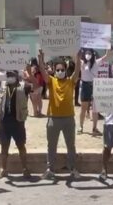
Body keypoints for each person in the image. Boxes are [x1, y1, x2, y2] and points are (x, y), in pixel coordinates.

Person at [0, 68, 35, 179]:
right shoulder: (0, 85)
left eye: (12, 74)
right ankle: (3, 169)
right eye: (8, 74)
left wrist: (29, 72)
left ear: (17, 76)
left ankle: (25, 168)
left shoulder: (24, 86)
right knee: (4, 146)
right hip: (4, 121)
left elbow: (37, 86)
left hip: (18, 122)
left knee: (21, 146)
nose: (10, 76)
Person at [38, 49, 81, 180]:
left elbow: (77, 71)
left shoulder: (70, 81)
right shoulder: (51, 81)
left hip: (69, 118)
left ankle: (73, 168)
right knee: (51, 145)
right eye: (58, 70)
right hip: (53, 119)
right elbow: (43, 73)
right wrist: (41, 59)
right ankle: (50, 169)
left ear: (65, 70)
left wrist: (77, 58)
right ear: (54, 70)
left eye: (62, 69)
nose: (60, 72)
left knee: (71, 145)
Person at [78, 48, 111, 135]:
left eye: (89, 53)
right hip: (85, 85)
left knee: (95, 109)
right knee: (83, 108)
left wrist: (107, 47)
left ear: (93, 55)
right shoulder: (82, 63)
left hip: (94, 85)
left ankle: (94, 128)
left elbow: (106, 56)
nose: (88, 55)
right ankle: (80, 127)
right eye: (86, 53)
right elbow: (75, 57)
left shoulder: (97, 62)